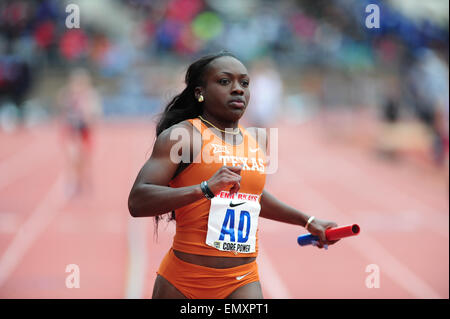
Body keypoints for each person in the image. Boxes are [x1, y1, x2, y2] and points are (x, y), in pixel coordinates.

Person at [128, 51, 339, 299]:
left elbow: (253, 196)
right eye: (225, 81)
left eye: (245, 83)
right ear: (200, 92)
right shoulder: (183, 136)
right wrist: (205, 189)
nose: (238, 89)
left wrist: (307, 220)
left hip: (242, 281)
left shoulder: (258, 139)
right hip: (183, 282)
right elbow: (138, 200)